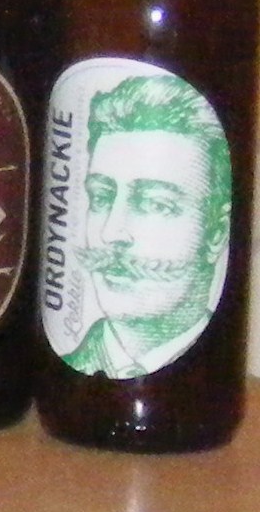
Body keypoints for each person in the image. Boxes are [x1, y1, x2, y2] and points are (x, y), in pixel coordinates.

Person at [65, 74, 234, 379]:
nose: (112, 233)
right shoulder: (72, 365)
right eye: (101, 197)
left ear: (216, 233)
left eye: (155, 204)